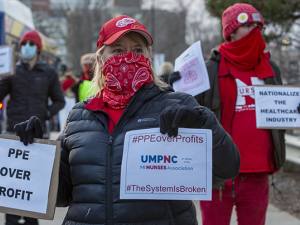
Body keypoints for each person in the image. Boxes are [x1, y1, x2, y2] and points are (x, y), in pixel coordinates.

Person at [14, 15, 240, 225]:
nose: (128, 58)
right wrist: (37, 153)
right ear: (101, 58)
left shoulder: (178, 106)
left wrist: (203, 123)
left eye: (138, 50)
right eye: (118, 49)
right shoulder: (78, 116)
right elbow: (61, 194)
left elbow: (226, 168)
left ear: (148, 58)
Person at [170, 4, 285, 225]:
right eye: (248, 25)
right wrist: (172, 88)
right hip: (218, 174)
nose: (255, 31)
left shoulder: (270, 68)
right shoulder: (210, 69)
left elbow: (283, 109)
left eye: (258, 26)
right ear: (231, 31)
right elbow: (189, 111)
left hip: (258, 173)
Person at [0, 30, 65, 225]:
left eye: (31, 43)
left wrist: (45, 113)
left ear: (37, 48)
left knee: (31, 182)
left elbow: (59, 100)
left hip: (37, 135)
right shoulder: (12, 71)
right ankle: (11, 220)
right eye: (24, 43)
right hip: (13, 131)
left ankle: (30, 220)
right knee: (12, 181)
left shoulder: (49, 72)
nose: (26, 46)